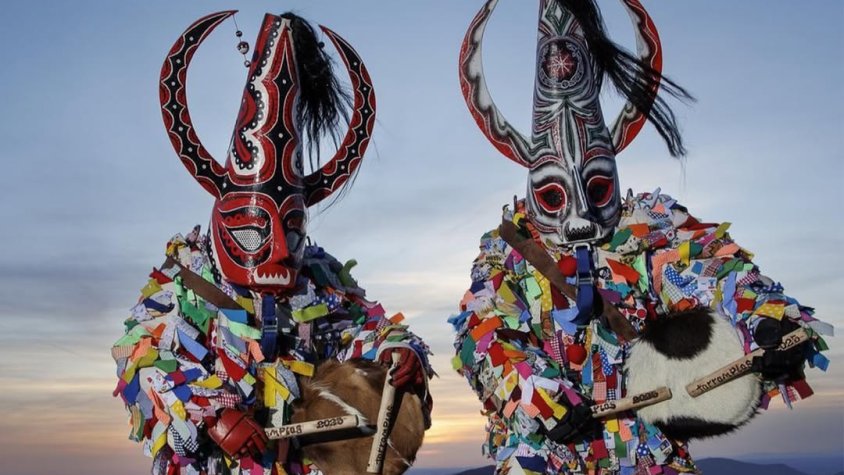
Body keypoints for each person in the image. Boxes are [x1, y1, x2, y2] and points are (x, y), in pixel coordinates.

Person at [450, 1, 831, 473]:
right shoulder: (503, 250)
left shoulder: (651, 226)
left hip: (647, 451)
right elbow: (481, 330)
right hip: (545, 453)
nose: (581, 217)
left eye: (596, 188)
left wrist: (767, 321)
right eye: (553, 195)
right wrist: (538, 397)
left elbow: (718, 273)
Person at [112, 11, 432, 475]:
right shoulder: (184, 279)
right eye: (252, 229)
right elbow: (142, 355)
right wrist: (211, 413)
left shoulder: (318, 278)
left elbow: (366, 327)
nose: (281, 250)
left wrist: (399, 354)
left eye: (294, 230)